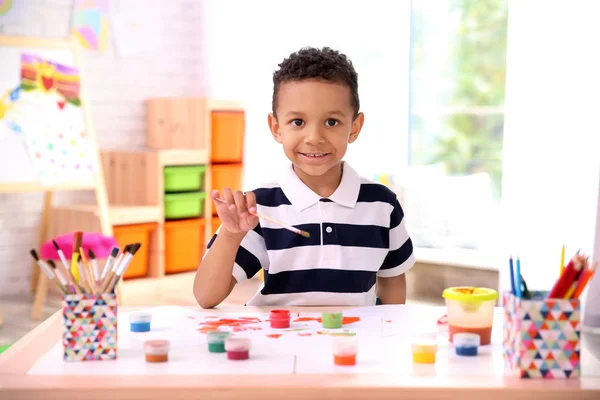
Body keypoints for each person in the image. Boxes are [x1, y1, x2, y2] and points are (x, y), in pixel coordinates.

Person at [193, 47, 415, 308]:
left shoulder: (382, 204)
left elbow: (392, 283)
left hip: (351, 345)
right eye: (298, 122)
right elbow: (206, 297)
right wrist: (231, 235)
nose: (314, 137)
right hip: (278, 343)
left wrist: (388, 337)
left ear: (354, 128)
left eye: (331, 122)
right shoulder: (260, 206)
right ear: (276, 128)